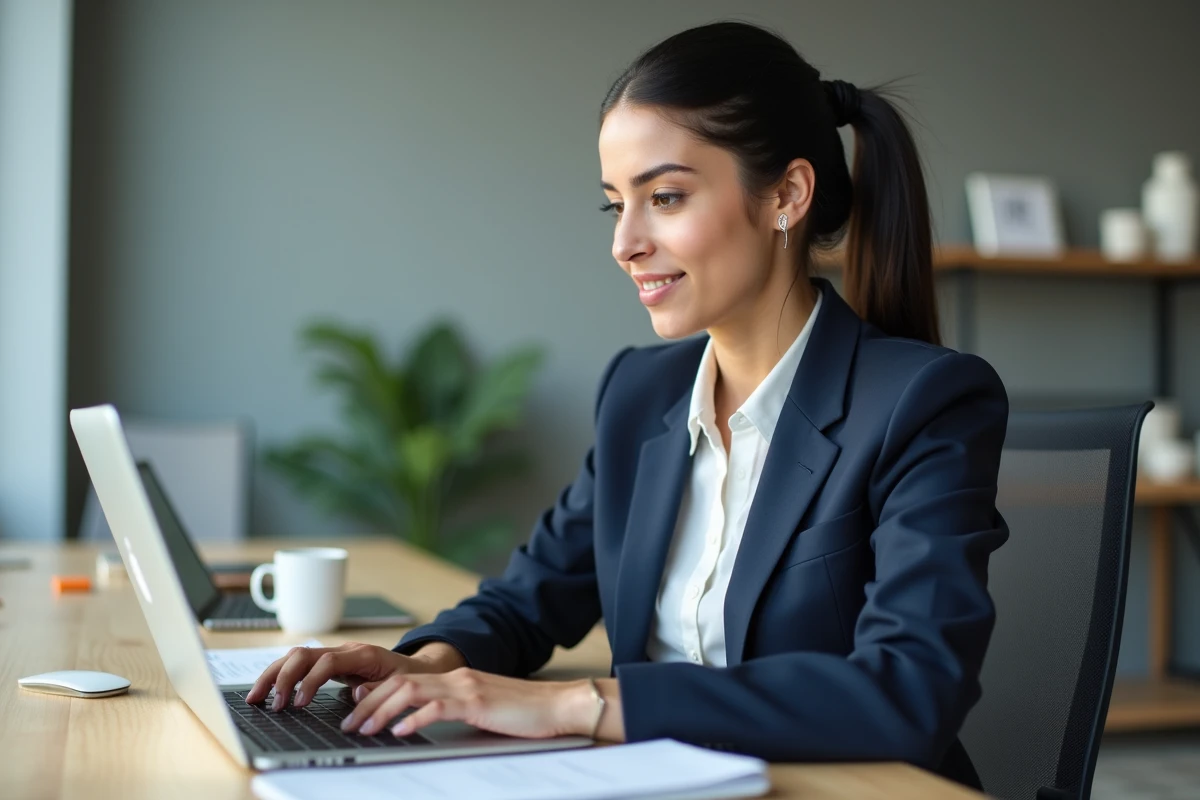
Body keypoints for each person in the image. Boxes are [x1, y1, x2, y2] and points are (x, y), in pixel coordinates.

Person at [247, 19, 1009, 790]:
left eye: (666, 197)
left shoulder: (923, 401)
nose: (626, 244)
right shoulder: (641, 394)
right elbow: (531, 598)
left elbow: (909, 690)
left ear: (787, 194)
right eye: (617, 205)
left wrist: (574, 705)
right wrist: (427, 663)